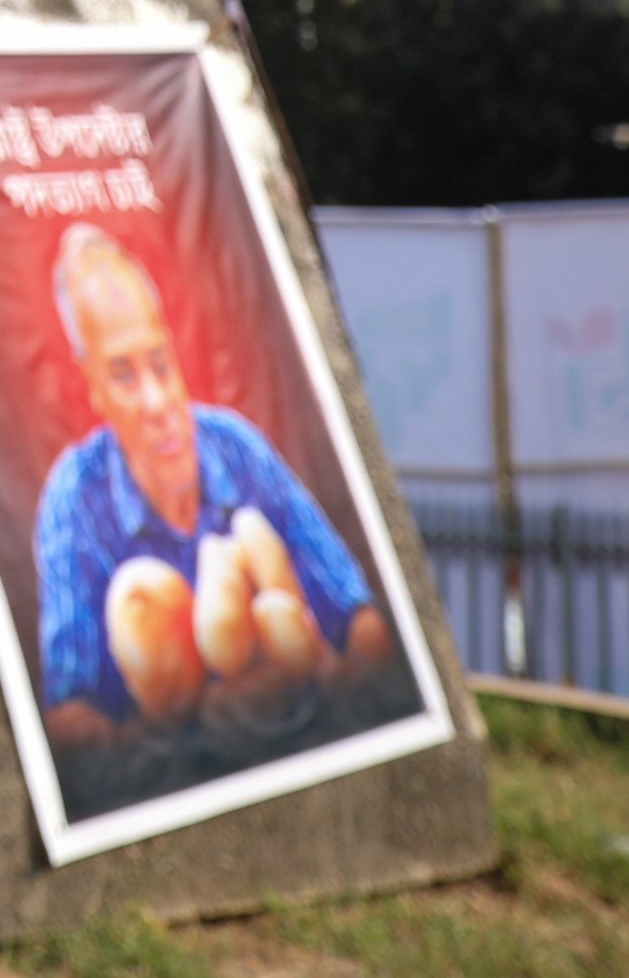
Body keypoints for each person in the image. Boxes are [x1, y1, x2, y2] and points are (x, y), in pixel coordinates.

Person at [29, 224, 388, 745]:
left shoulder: (237, 448)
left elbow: (361, 620)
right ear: (93, 389)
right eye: (125, 376)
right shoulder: (75, 499)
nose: (156, 403)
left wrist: (337, 686)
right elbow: (68, 718)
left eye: (160, 364)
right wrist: (191, 729)